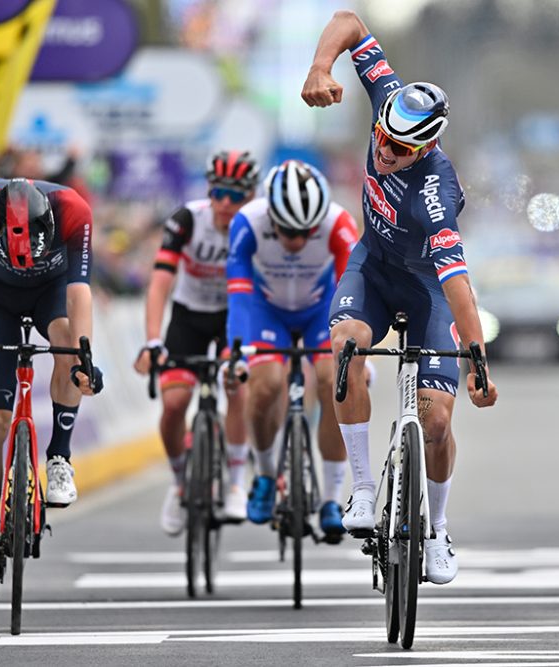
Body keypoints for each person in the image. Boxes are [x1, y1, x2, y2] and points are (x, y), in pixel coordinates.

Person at [301, 10, 497, 585]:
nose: (384, 153)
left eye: (400, 150)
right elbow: (347, 21)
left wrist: (479, 361)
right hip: (374, 269)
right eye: (381, 139)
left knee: (436, 421)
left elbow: (458, 285)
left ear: (427, 147)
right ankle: (362, 489)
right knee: (344, 347)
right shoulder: (389, 95)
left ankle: (436, 529)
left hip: (429, 291)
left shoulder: (434, 193)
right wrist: (320, 66)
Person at [0, 177, 101, 595]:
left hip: (51, 292)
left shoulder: (73, 210)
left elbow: (80, 293)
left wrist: (84, 357)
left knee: (67, 340)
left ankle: (59, 456)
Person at [226, 159, 358, 538]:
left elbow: (352, 290)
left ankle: (332, 496)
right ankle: (266, 474)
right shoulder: (248, 222)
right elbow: (237, 291)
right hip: (265, 309)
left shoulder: (338, 223)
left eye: (307, 231)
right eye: (287, 230)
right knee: (264, 384)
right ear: (272, 216)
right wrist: (237, 350)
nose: (297, 241)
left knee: (336, 381)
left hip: (322, 309)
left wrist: (355, 349)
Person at [133, 150, 259, 536]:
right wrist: (153, 340)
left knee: (235, 387)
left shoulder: (256, 225)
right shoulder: (188, 218)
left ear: (250, 195)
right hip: (188, 315)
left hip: (233, 316)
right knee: (173, 405)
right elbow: (160, 283)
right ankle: (180, 480)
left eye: (234, 195)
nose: (224, 203)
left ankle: (236, 481)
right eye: (218, 192)